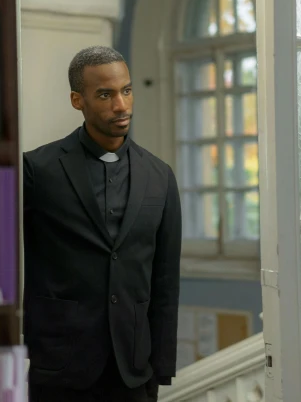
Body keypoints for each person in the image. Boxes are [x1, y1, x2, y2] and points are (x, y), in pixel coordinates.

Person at [23, 46, 182, 401]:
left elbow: (166, 280)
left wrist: (161, 368)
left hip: (133, 370)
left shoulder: (160, 176)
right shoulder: (37, 170)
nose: (121, 105)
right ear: (77, 100)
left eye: (126, 90)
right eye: (106, 94)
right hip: (59, 366)